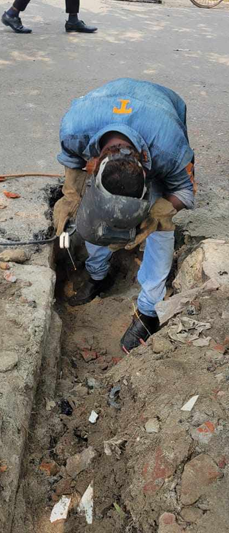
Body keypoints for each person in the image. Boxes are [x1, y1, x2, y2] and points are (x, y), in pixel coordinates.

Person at [51, 79, 194, 353]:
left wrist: (161, 210)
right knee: (93, 215)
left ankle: (149, 311)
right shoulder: (74, 129)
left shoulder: (170, 149)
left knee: (161, 230)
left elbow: (186, 190)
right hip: (104, 107)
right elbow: (71, 160)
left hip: (161, 110)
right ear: (96, 163)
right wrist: (71, 195)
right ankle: (98, 274)